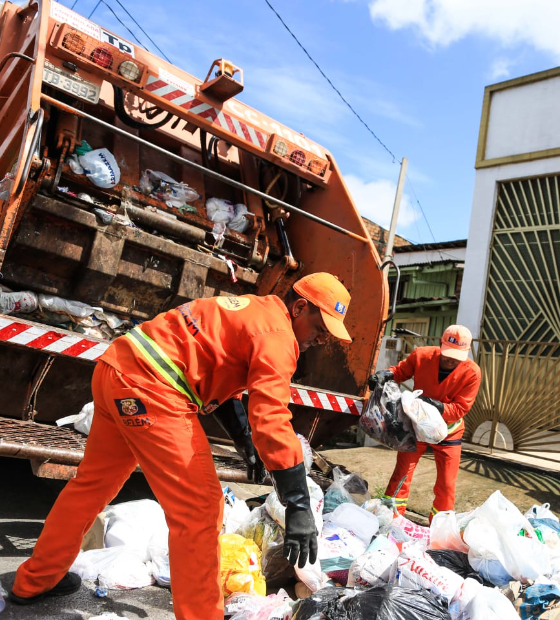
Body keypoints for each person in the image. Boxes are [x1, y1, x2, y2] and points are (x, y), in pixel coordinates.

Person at [10, 272, 353, 620]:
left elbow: (229, 391)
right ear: (299, 307)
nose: (321, 340)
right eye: (320, 329)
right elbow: (271, 418)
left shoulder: (252, 311)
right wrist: (297, 504)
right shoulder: (278, 336)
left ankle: (35, 581)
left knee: (90, 487)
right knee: (201, 509)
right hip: (151, 389)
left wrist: (246, 445)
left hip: (117, 371)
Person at [370, 325, 481, 522]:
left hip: (448, 432)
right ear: (440, 344)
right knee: (401, 474)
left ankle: (440, 526)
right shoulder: (421, 356)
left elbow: (460, 409)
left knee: (447, 484)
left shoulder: (472, 372)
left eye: (458, 356)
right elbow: (400, 372)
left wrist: (437, 406)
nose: (451, 359)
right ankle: (390, 518)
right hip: (417, 428)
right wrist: (384, 375)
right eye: (448, 354)